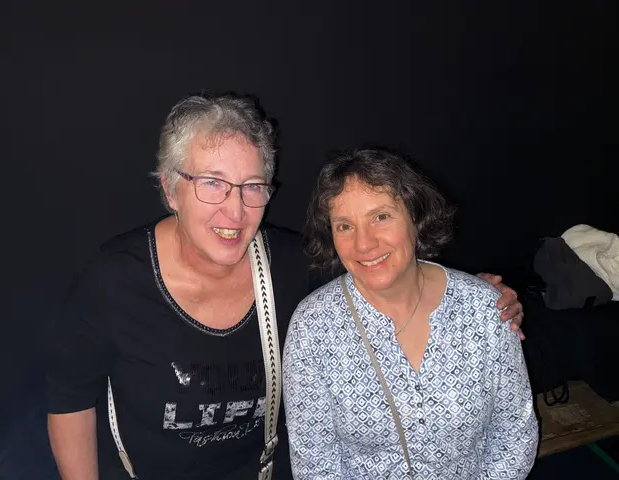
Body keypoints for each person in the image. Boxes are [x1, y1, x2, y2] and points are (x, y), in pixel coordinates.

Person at [45, 93, 524, 480]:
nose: (235, 211)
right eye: (212, 183)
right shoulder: (116, 280)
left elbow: (377, 270)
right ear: (171, 189)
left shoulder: (291, 266)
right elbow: (69, 401)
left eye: (252, 186)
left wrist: (473, 297)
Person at [283, 149, 538, 479]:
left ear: (415, 216)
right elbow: (315, 463)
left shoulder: (483, 308)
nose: (364, 244)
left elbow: (514, 434)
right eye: (345, 226)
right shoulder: (313, 327)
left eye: (380, 217)